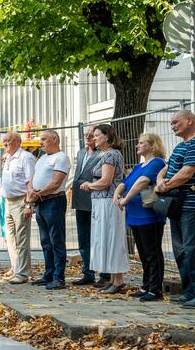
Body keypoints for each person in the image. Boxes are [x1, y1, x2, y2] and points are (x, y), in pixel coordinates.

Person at [114, 133, 166, 302]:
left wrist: (126, 199)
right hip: (135, 214)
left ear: (152, 146)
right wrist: (116, 194)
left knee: (152, 252)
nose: (137, 145)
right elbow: (125, 182)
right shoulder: (139, 165)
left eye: (141, 143)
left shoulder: (157, 163)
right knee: (143, 253)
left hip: (148, 215)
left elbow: (143, 181)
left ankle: (156, 288)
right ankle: (146, 285)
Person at [80, 124, 128, 294]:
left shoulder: (112, 155)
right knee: (105, 238)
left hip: (109, 201)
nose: (94, 138)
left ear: (107, 136)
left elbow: (106, 181)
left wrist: (89, 185)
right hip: (101, 201)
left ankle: (119, 280)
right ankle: (114, 279)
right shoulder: (104, 154)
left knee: (112, 238)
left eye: (97, 135)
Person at [156, 110, 195, 308]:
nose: (172, 126)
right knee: (180, 250)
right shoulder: (181, 146)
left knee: (191, 249)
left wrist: (166, 185)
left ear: (189, 120)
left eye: (175, 122)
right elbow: (167, 167)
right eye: (170, 123)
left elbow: (187, 172)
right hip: (176, 206)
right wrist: (160, 180)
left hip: (190, 205)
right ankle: (188, 292)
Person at [29, 131, 71, 290]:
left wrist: (37, 193)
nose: (41, 143)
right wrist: (31, 192)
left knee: (56, 240)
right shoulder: (42, 159)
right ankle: (48, 273)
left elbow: (55, 183)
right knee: (45, 241)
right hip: (40, 202)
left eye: (44, 139)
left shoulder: (61, 158)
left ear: (55, 139)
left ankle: (59, 277)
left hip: (54, 201)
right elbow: (33, 179)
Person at [71, 125, 108, 286]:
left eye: (91, 135)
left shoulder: (103, 154)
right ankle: (88, 272)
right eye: (86, 134)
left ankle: (104, 274)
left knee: (98, 238)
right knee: (83, 239)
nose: (87, 137)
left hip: (95, 200)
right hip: (80, 200)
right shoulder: (80, 153)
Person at [0, 131, 36, 284]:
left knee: (21, 238)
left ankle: (23, 273)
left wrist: (29, 204)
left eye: (7, 141)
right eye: (4, 141)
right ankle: (16, 267)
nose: (5, 144)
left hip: (21, 201)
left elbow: (30, 182)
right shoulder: (8, 157)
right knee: (10, 238)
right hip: (8, 201)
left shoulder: (25, 157)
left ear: (17, 142)